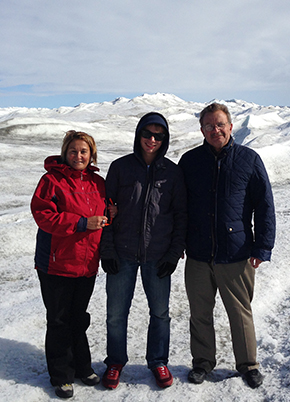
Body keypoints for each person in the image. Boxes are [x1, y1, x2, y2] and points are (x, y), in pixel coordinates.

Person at [178, 103, 276, 389]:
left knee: (240, 312)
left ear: (231, 127)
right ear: (202, 130)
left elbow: (265, 206)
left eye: (220, 124)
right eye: (209, 125)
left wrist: (262, 247)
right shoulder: (190, 161)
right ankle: (203, 363)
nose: (215, 130)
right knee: (199, 313)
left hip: (236, 252)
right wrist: (179, 241)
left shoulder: (249, 159)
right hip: (198, 253)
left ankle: (248, 365)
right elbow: (179, 206)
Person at [99, 112, 187, 390]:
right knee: (115, 313)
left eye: (158, 136)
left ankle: (158, 360)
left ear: (165, 139)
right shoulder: (120, 167)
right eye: (147, 134)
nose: (152, 140)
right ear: (138, 135)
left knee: (160, 312)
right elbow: (105, 209)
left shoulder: (172, 173)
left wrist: (174, 253)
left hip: (158, 254)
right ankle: (115, 361)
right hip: (122, 253)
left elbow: (181, 215)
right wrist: (107, 250)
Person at [31, 130, 112, 399]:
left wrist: (111, 213)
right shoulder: (51, 181)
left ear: (92, 155)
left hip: (86, 263)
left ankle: (82, 366)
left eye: (84, 151)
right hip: (56, 263)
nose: (79, 156)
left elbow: (101, 215)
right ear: (65, 153)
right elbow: (43, 215)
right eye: (74, 151)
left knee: (79, 318)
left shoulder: (97, 183)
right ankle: (62, 376)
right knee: (59, 320)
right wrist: (80, 223)